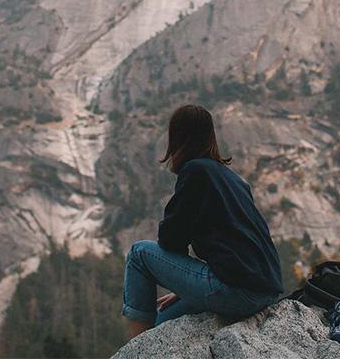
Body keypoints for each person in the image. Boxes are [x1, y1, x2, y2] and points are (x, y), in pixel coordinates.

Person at [121, 104, 284, 339]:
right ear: (210, 136)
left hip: (235, 290)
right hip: (264, 292)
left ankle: (135, 350)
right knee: (161, 320)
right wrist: (185, 288)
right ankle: (146, 344)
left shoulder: (195, 171)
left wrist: (186, 280)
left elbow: (170, 239)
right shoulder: (235, 180)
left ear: (177, 137)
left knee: (139, 253)